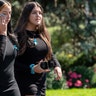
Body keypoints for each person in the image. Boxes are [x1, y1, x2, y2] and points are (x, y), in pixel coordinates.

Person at [14, 1, 62, 96]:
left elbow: (50, 53)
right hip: (24, 81)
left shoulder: (42, 35)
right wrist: (32, 69)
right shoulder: (17, 36)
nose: (38, 15)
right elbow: (13, 62)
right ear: (26, 15)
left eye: (40, 13)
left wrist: (57, 66)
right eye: (34, 13)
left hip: (41, 81)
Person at [0, 0, 21, 96]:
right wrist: (2, 35)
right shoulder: (3, 36)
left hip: (12, 88)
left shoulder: (11, 37)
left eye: (10, 13)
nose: (8, 17)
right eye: (4, 13)